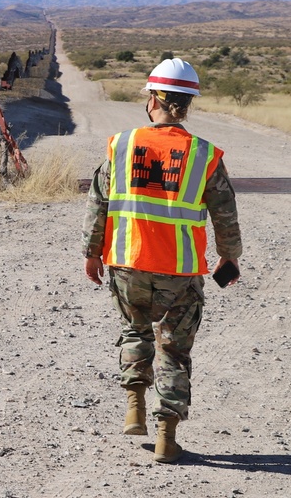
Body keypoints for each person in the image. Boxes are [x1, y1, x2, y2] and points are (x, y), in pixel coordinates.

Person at [82, 57, 242, 464]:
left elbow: (98, 202)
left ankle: (133, 406)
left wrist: (91, 252)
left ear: (153, 99)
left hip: (126, 262)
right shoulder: (204, 154)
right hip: (181, 273)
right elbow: (225, 213)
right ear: (187, 103)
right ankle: (166, 439)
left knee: (135, 330)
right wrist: (229, 257)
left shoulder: (122, 144)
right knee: (174, 351)